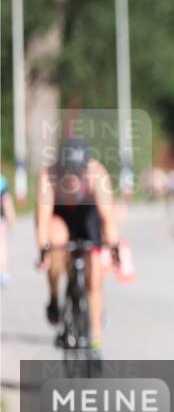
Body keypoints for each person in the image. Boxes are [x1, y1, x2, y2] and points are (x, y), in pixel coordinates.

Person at [36, 137, 119, 357]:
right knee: (55, 242)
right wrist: (43, 251)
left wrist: (113, 248)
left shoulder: (97, 174)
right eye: (68, 174)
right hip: (60, 216)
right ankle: (54, 297)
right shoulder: (49, 175)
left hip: (86, 216)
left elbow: (107, 216)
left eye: (77, 174)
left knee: (94, 274)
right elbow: (42, 218)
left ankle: (96, 340)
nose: (72, 179)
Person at [0, 173, 15, 287]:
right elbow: (6, 202)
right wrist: (11, 218)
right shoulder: (2, 181)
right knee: (2, 244)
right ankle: (2, 271)